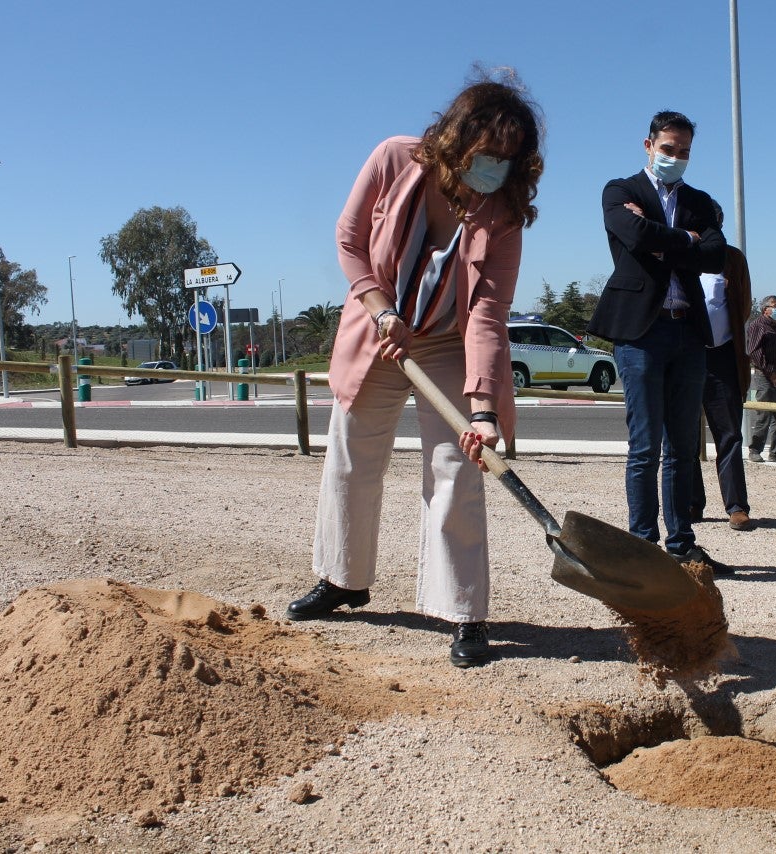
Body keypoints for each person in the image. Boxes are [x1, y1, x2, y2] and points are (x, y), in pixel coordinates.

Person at [284, 74, 545, 668]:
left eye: (509, 159)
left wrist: (481, 410)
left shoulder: (502, 213)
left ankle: (463, 611)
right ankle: (344, 579)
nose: (495, 167)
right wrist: (380, 310)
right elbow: (349, 240)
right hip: (380, 326)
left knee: (457, 466)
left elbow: (486, 313)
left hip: (447, 342)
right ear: (457, 141)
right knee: (353, 455)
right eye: (487, 155)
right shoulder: (395, 158)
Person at [588, 110, 731, 576]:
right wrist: (684, 240)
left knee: (683, 446)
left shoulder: (700, 201)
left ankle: (682, 543)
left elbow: (715, 253)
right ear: (648, 145)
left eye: (684, 151)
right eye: (668, 149)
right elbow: (631, 234)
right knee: (645, 446)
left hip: (687, 331)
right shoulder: (621, 191)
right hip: (640, 333)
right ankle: (642, 544)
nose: (676, 158)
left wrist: (666, 239)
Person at [690, 202, 754, 532]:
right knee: (683, 437)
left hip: (724, 356)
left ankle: (736, 506)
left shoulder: (733, 259)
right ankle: (691, 503)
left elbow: (744, 307)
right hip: (685, 355)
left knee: (729, 434)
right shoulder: (680, 253)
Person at [746, 295, 776, 464]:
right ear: (765, 309)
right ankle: (755, 449)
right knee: (764, 414)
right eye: (775, 306)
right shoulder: (758, 325)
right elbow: (754, 352)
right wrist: (771, 373)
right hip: (765, 376)